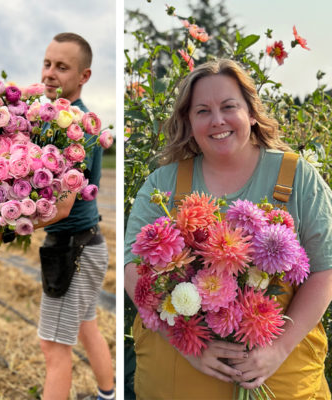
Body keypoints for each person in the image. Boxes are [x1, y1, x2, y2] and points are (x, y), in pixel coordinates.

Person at [124, 59, 332, 399]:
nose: (217, 120)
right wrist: (188, 345)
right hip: (182, 368)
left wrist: (277, 351)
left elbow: (326, 269)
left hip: (276, 369)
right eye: (202, 111)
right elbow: (132, 267)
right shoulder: (163, 183)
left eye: (228, 106)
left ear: (251, 112)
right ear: (189, 123)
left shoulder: (298, 177)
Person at [35, 32, 115, 400]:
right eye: (48, 63)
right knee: (87, 326)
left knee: (53, 348)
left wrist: (5, 226)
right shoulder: (67, 119)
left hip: (75, 251)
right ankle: (108, 395)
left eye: (62, 67)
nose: (50, 73)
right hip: (86, 245)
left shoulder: (74, 128)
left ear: (84, 76)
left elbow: (63, 206)